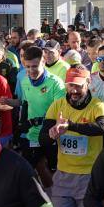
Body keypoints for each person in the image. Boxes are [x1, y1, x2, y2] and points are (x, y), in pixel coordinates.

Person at [40, 67, 104, 207]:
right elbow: (44, 136)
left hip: (89, 176)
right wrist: (51, 134)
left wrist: (70, 126)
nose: (74, 90)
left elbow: (101, 129)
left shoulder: (99, 105)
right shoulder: (58, 105)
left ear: (88, 83)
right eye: (71, 85)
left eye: (79, 85)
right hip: (63, 174)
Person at [13, 45, 65, 188]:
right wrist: (22, 125)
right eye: (27, 67)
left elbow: (60, 112)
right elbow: (26, 104)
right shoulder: (24, 81)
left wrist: (42, 122)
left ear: (43, 62)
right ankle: (44, 197)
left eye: (34, 66)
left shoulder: (56, 83)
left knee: (54, 171)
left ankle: (56, 199)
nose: (31, 71)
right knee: (32, 169)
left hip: (51, 134)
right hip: (32, 134)